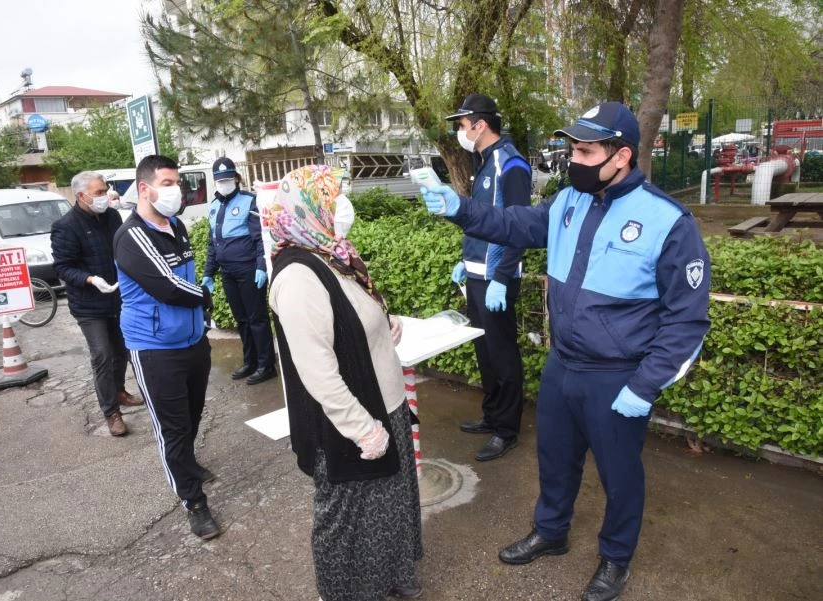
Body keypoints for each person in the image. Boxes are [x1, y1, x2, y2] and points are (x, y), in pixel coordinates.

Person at [421, 102, 711, 601]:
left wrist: (644, 386)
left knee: (620, 475)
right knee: (555, 459)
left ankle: (615, 558)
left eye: (584, 150)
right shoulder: (569, 201)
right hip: (563, 365)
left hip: (617, 377)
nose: (571, 158)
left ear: (621, 156)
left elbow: (688, 321)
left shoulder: (668, 222)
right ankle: (551, 532)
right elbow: (515, 226)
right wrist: (459, 208)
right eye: (571, 147)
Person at [267, 165, 422, 601]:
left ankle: (391, 578)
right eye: (334, 198)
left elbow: (352, 313)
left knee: (388, 507)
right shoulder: (297, 276)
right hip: (349, 423)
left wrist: (380, 324)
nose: (343, 207)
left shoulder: (330, 253)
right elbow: (316, 368)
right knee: (349, 521)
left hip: (384, 404)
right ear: (311, 209)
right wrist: (362, 427)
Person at [113, 154, 219, 540]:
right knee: (172, 428)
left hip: (192, 341)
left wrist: (201, 317)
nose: (178, 190)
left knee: (191, 416)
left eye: (178, 183)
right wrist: (206, 295)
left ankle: (187, 463)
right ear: (145, 189)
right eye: (169, 183)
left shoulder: (176, 225)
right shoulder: (131, 236)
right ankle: (194, 503)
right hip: (155, 348)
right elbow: (168, 288)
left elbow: (183, 276)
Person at [444, 93, 530, 462]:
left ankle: (507, 430)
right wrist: (467, 259)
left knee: (502, 353)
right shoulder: (483, 162)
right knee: (485, 350)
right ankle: (492, 416)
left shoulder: (511, 164)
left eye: (462, 125)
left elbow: (518, 226)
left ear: (480, 124)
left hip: (498, 279)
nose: (460, 132)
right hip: (477, 275)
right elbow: (482, 220)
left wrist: (501, 275)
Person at [51, 171, 143, 437]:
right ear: (81, 196)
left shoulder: (112, 217)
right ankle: (111, 412)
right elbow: (63, 267)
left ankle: (119, 391)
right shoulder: (65, 226)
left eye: (105, 190)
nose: (105, 196)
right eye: (99, 193)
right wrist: (90, 279)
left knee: (122, 349)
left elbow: (123, 248)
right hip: (89, 305)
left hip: (117, 297)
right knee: (102, 353)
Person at [201, 157, 276, 385]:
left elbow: (259, 239)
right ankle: (250, 361)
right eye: (220, 180)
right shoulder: (213, 207)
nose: (224, 183)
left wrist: (261, 266)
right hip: (228, 273)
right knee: (242, 320)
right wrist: (208, 272)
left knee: (257, 319)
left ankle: (266, 365)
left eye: (228, 179)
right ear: (215, 182)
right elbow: (213, 243)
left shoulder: (249, 201)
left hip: (249, 269)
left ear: (236, 178)